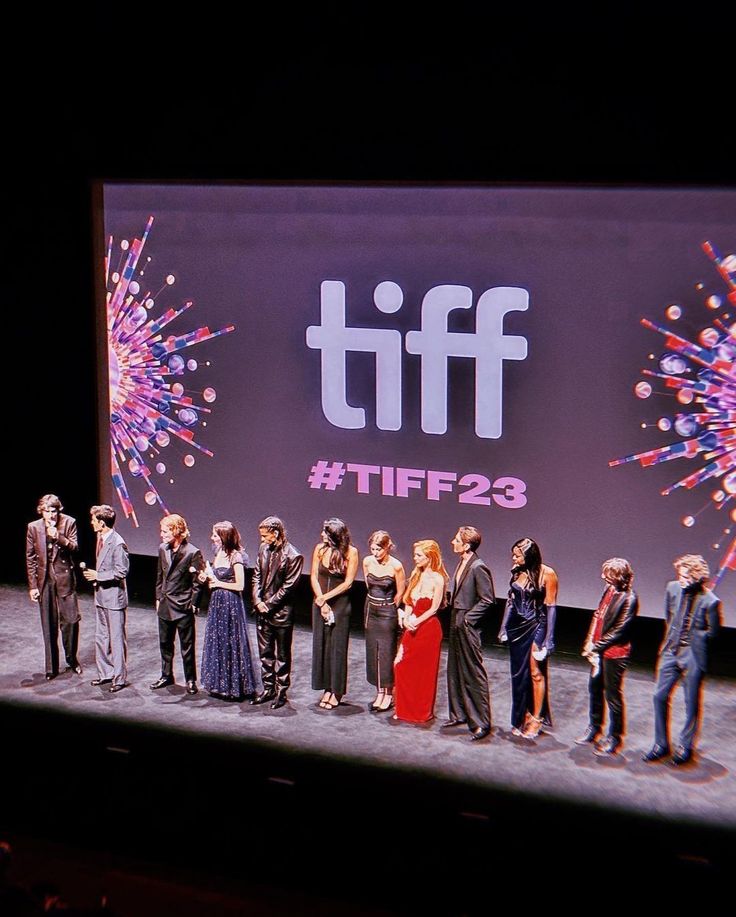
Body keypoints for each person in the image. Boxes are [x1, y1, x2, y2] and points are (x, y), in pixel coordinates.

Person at [643, 554, 721, 766]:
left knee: (690, 703)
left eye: (686, 576)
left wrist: (695, 637)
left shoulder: (710, 601)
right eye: (680, 575)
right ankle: (661, 744)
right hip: (671, 651)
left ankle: (685, 746)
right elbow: (669, 617)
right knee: (659, 695)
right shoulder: (672, 588)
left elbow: (713, 632)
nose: (681, 579)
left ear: (697, 578)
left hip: (693, 656)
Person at [575, 557, 638, 756]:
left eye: (608, 574)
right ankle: (594, 727)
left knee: (612, 695)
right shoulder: (608, 589)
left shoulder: (629, 598)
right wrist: (589, 640)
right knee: (594, 689)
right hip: (598, 651)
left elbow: (619, 630)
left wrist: (597, 647)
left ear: (619, 576)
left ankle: (615, 736)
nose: (603, 576)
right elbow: (598, 615)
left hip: (615, 654)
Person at [498, 537, 558, 739]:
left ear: (529, 555)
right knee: (518, 674)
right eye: (513, 554)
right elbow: (510, 601)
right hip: (517, 628)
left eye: (517, 555)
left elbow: (551, 608)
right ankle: (521, 714)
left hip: (536, 625)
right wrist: (503, 627)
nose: (513, 558)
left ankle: (537, 717)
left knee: (534, 672)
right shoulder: (516, 571)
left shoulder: (547, 574)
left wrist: (549, 639)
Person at [443, 526, 495, 741]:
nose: (452, 542)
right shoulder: (462, 562)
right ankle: (459, 713)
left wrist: (468, 619)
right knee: (454, 668)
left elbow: (488, 599)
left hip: (466, 622)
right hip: (456, 619)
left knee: (473, 672)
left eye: (456, 539)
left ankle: (481, 722)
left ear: (466, 545)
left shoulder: (478, 567)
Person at [25, 494, 82, 680]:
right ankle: (51, 667)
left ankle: (71, 659)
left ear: (59, 510)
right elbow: (31, 557)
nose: (51, 515)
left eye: (54, 511)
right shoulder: (33, 527)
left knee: (71, 621)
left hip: (65, 578)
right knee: (48, 623)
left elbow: (74, 547)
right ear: (41, 512)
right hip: (45, 580)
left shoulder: (69, 523)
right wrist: (33, 586)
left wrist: (59, 537)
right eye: (47, 512)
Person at [251, 516, 304, 709]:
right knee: (265, 653)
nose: (263, 539)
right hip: (263, 611)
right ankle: (268, 689)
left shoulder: (293, 555)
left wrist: (268, 604)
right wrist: (258, 601)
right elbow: (256, 575)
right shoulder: (263, 549)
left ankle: (281, 692)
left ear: (276, 533)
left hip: (280, 613)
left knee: (282, 655)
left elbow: (288, 587)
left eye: (265, 536)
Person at [199, 521, 257, 700]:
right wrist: (206, 578)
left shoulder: (237, 557)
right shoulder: (218, 552)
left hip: (230, 603)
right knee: (218, 640)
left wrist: (218, 583)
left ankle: (234, 686)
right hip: (217, 602)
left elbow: (240, 585)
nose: (212, 538)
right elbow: (214, 577)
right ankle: (218, 683)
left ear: (224, 537)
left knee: (230, 641)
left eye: (215, 535)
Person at [393, 540, 447, 724]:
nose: (415, 558)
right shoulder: (416, 574)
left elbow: (434, 608)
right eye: (415, 555)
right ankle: (403, 709)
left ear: (430, 556)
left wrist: (416, 620)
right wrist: (407, 618)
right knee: (401, 665)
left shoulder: (438, 579)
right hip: (412, 626)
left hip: (428, 629)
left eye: (419, 555)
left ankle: (420, 712)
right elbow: (409, 601)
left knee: (424, 673)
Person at [150, 513, 205, 695]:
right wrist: (158, 598)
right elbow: (159, 576)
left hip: (182, 606)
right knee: (165, 643)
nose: (162, 534)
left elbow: (198, 581)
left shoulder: (192, 552)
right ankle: (166, 675)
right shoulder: (162, 549)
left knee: (186, 646)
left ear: (176, 531)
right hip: (165, 604)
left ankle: (190, 679)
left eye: (165, 531)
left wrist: (193, 604)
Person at [310, 518, 359, 709]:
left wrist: (326, 598)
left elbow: (348, 583)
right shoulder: (320, 549)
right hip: (320, 601)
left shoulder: (351, 552)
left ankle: (336, 690)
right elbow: (314, 575)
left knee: (337, 648)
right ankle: (326, 689)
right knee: (322, 645)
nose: (322, 535)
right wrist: (320, 599)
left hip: (339, 604)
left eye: (325, 532)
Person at [82, 504, 130, 692]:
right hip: (101, 596)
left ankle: (119, 678)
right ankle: (105, 673)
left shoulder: (118, 543)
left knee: (116, 639)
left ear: (101, 523)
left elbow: (121, 571)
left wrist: (98, 576)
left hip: (114, 598)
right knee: (101, 637)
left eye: (94, 520)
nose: (91, 523)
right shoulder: (100, 537)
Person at [363, 530, 405, 712]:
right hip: (371, 610)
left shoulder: (396, 566)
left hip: (388, 612)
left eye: (379, 549)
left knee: (387, 652)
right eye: (373, 549)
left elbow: (400, 593)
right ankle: (379, 692)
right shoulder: (367, 561)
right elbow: (368, 584)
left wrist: (389, 608)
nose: (375, 553)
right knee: (373, 652)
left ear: (387, 547)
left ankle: (389, 693)